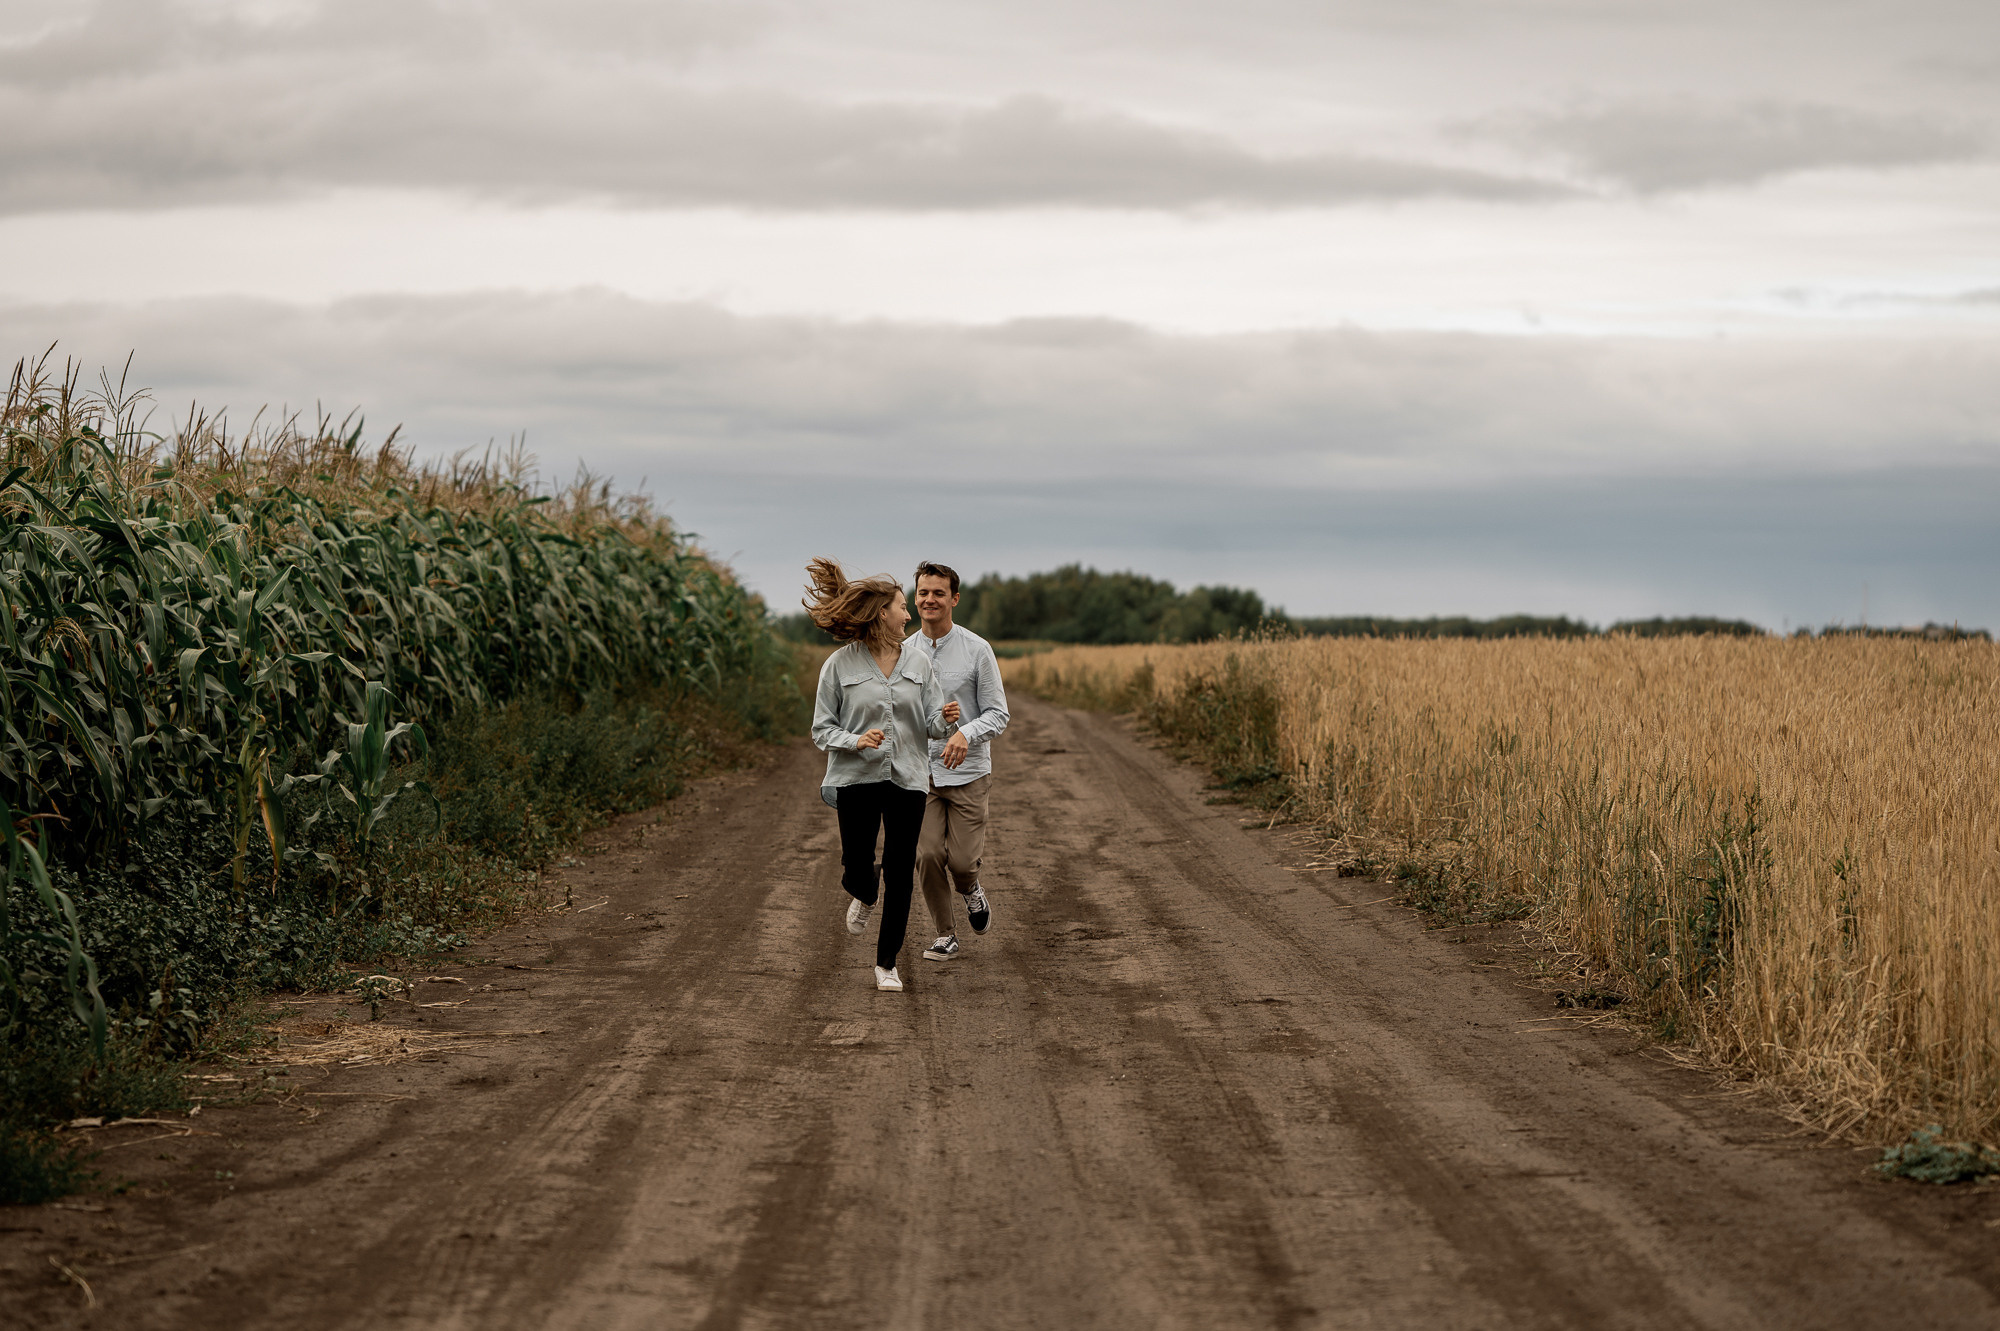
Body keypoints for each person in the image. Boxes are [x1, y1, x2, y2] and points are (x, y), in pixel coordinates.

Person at [805, 557, 956, 992]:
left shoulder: (920, 664)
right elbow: (821, 729)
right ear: (880, 614)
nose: (909, 614)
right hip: (855, 778)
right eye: (902, 606)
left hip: (907, 778)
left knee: (900, 869)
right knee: (857, 865)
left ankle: (887, 963)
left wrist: (944, 720)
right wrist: (856, 741)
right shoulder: (838, 666)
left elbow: (930, 724)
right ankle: (864, 892)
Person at [910, 561, 1010, 963]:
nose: (929, 599)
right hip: (921, 774)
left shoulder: (977, 649)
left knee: (963, 863)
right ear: (914, 598)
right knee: (928, 854)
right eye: (922, 593)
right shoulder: (904, 653)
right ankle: (945, 934)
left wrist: (964, 733)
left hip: (969, 774)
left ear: (954, 598)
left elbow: (998, 713)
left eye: (938, 593)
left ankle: (971, 889)